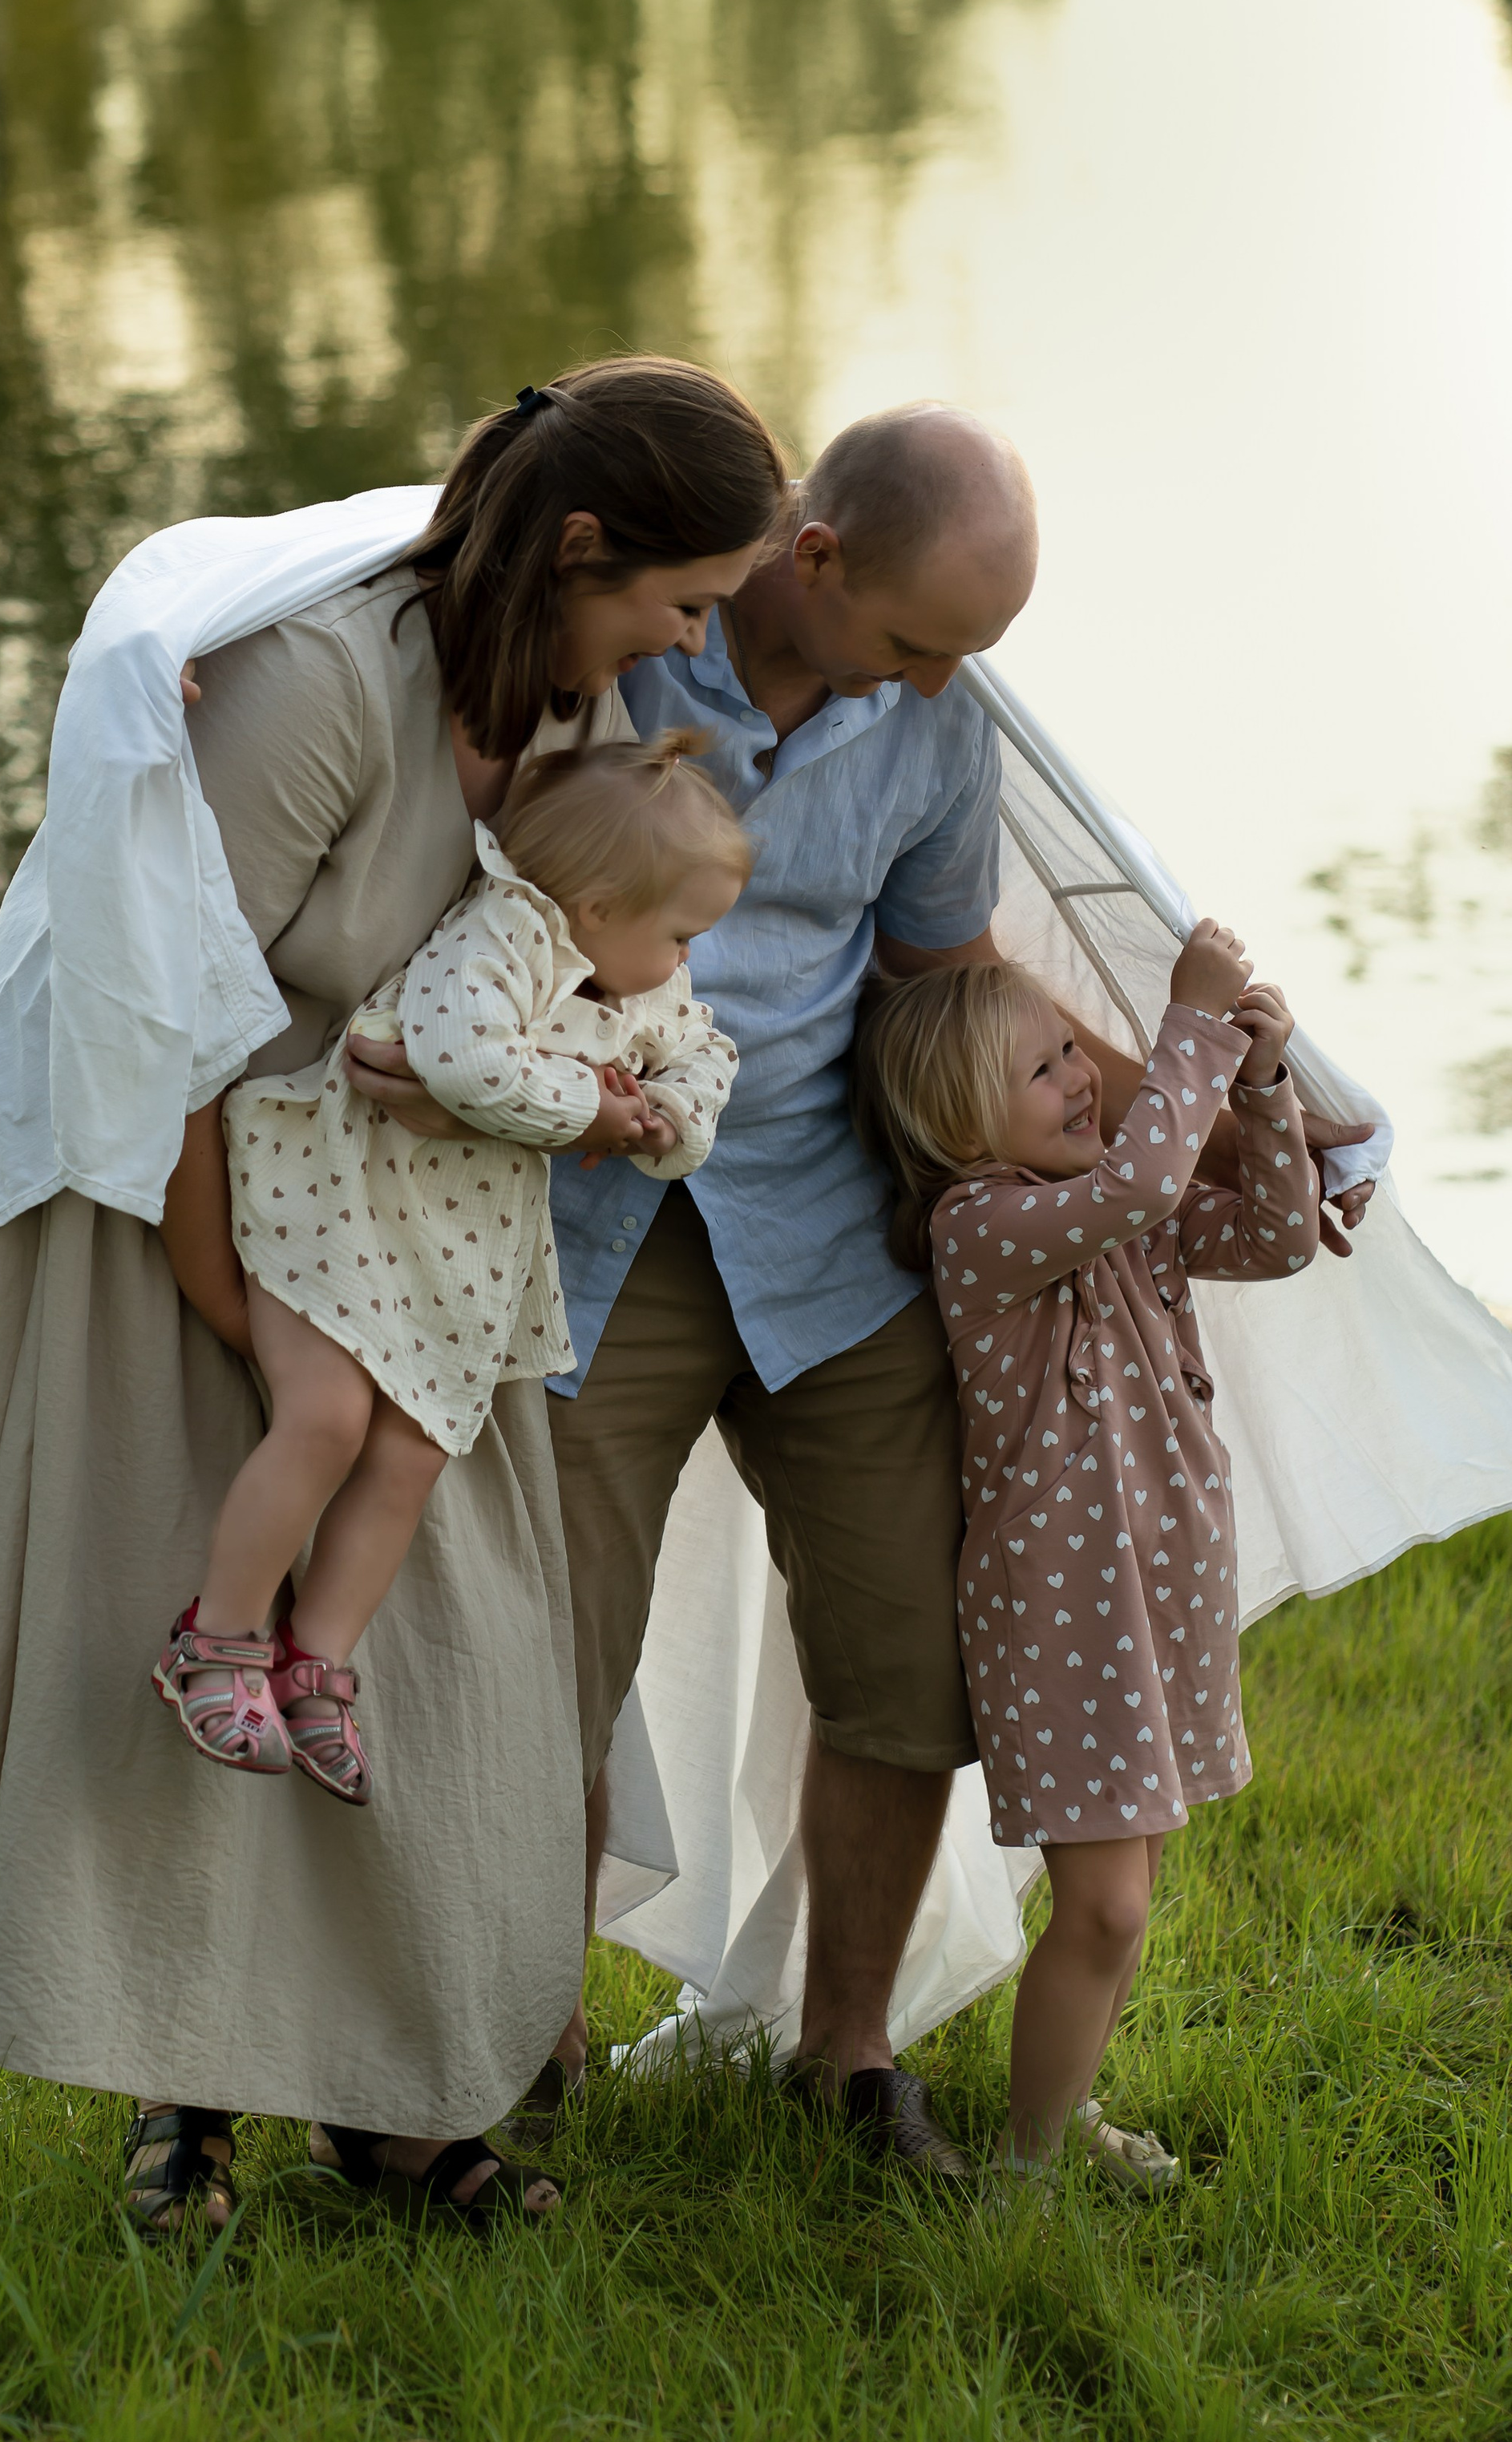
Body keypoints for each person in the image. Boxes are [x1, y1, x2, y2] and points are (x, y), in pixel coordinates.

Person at [347, 397, 1373, 2176]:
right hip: (597, 1239)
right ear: (807, 557)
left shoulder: (933, 727)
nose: (928, 679)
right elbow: (407, 660)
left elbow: (947, 981)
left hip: (837, 1240)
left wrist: (1183, 1112)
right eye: (911, 639)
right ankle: (529, 2039)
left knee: (902, 1655)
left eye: (960, 658)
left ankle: (845, 2052)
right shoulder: (624, 651)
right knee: (550, 1660)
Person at [0, 355, 787, 2246]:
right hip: (194, 1193)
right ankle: (183, 2099)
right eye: (681, 601)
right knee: (212, 1640)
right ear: (585, 542)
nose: (687, 648)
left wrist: (606, 1100)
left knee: (432, 1669)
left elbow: (569, 965)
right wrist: (219, 1294)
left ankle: (397, 2103)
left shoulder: (564, 700)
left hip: (420, 1243)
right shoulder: (308, 691)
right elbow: (162, 1015)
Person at [152, 732, 749, 1805]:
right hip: (343, 1198)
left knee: (415, 1448)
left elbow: (705, 1049)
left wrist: (671, 1123)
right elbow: (463, 1062)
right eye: (681, 933)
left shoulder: (644, 980)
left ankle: (315, 1662)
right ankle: (218, 1638)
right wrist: (596, 1107)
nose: (687, 961)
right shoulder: (503, 936)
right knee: (327, 1418)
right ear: (601, 908)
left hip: (455, 1241)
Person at [847, 924, 1324, 2185]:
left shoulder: (1114, 1201)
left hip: (1161, 1582)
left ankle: (1060, 2122)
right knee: (1104, 1902)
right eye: (1043, 1072)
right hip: (1065, 1610)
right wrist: (1193, 1029)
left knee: (1128, 1896)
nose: (1080, 1081)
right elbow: (1145, 1190)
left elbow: (1277, 1237)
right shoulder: (984, 1227)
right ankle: (1029, 2169)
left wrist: (1265, 1091)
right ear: (960, 1130)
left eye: (1075, 1052)